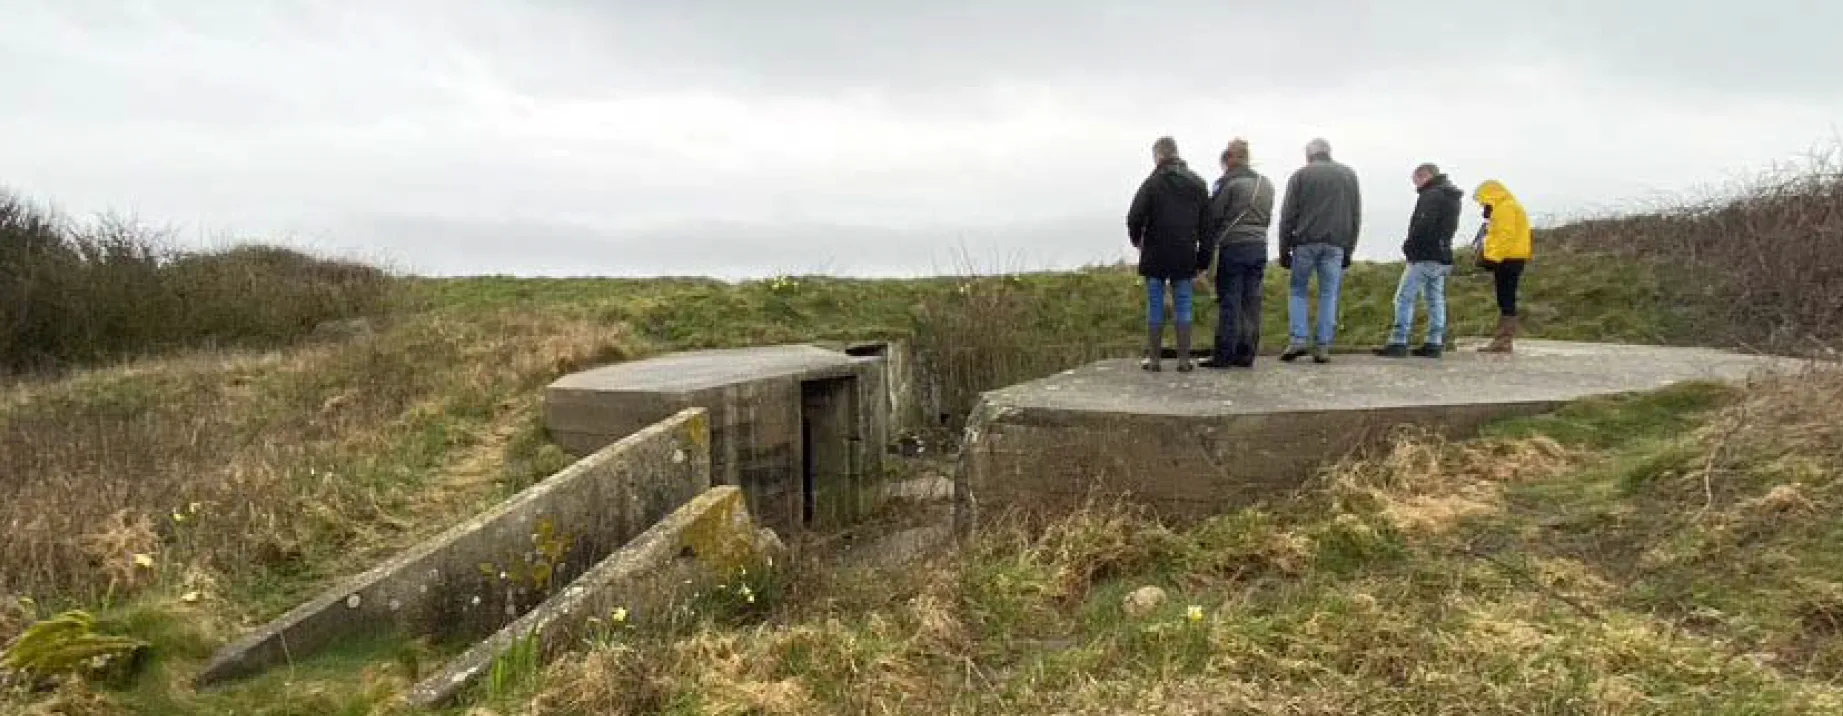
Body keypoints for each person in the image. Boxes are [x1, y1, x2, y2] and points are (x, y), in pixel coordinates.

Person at [1126, 136, 1211, 372]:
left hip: (1155, 252)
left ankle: (1154, 360)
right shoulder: (1198, 183)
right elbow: (1207, 226)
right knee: (1184, 303)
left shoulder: (1151, 183)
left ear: (1158, 156)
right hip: (1184, 252)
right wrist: (1203, 259)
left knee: (1155, 303)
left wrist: (1138, 241)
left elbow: (1134, 217)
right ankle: (1183, 360)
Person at [1277, 137, 1362, 363]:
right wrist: (1349, 249)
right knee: (1329, 294)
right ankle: (1323, 345)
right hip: (1336, 245)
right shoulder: (1349, 175)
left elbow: (1288, 216)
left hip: (1305, 243)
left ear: (1309, 155)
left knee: (1297, 291)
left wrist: (1284, 249)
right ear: (1329, 152)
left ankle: (1298, 340)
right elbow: (1355, 216)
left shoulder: (1300, 176)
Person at [1197, 139, 1275, 369]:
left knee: (1229, 300)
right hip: (1259, 245)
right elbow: (1267, 217)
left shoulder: (1226, 183)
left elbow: (1214, 216)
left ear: (1230, 157)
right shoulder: (1266, 184)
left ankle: (1224, 354)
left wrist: (1206, 248)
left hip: (1233, 246)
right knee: (1252, 302)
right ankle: (1247, 352)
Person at [1374, 163, 1463, 358]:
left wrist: (1410, 247)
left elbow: (1423, 225)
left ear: (1425, 176)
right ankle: (1434, 341)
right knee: (1435, 298)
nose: (1416, 186)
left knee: (1404, 297)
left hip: (1424, 255)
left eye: (1416, 180)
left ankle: (1398, 341)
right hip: (1442, 255)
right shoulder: (1452, 197)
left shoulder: (1431, 195)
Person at [1471, 179, 1532, 353]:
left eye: (1483, 199)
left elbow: (1505, 235)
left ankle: (1503, 340)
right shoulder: (1509, 206)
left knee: (1505, 298)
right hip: (1513, 257)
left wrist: (1492, 257)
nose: (1482, 203)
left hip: (1508, 258)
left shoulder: (1504, 208)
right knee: (1506, 297)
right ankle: (1503, 339)